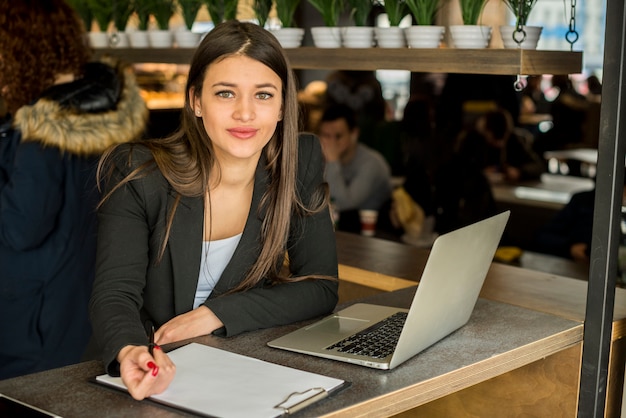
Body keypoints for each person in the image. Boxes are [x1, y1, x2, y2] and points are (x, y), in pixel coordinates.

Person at [88, 20, 339, 401]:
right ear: (196, 101)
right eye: (225, 93)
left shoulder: (298, 161)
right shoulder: (140, 173)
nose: (245, 113)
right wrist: (130, 351)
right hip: (152, 369)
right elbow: (114, 295)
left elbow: (320, 286)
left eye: (264, 95)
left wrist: (217, 314)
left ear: (283, 105)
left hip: (241, 371)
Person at [0, 0, 148, 379]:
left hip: (30, 318)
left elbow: (20, 227)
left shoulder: (38, 131)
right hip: (78, 301)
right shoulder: (99, 107)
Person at [317, 103, 393, 233]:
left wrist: (332, 161)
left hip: (376, 234)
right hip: (343, 231)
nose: (331, 143)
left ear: (354, 134)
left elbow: (344, 204)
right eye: (325, 136)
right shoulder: (320, 158)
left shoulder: (371, 162)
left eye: (338, 136)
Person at [458, 108, 546, 183]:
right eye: (494, 139)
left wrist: (519, 172)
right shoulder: (472, 140)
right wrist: (481, 174)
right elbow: (459, 169)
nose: (499, 144)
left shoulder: (513, 139)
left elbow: (538, 166)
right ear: (485, 131)